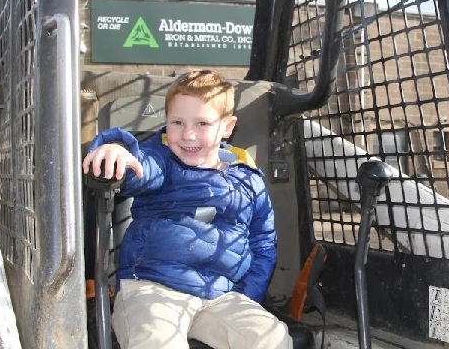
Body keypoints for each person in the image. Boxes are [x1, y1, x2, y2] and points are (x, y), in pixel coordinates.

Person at [82, 70, 292, 349]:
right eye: (177, 122)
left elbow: (263, 244)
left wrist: (246, 296)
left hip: (221, 296)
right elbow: (139, 168)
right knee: (155, 340)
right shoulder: (162, 162)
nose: (188, 134)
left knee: (272, 338)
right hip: (152, 288)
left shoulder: (249, 179)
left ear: (227, 127)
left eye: (202, 123)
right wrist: (118, 151)